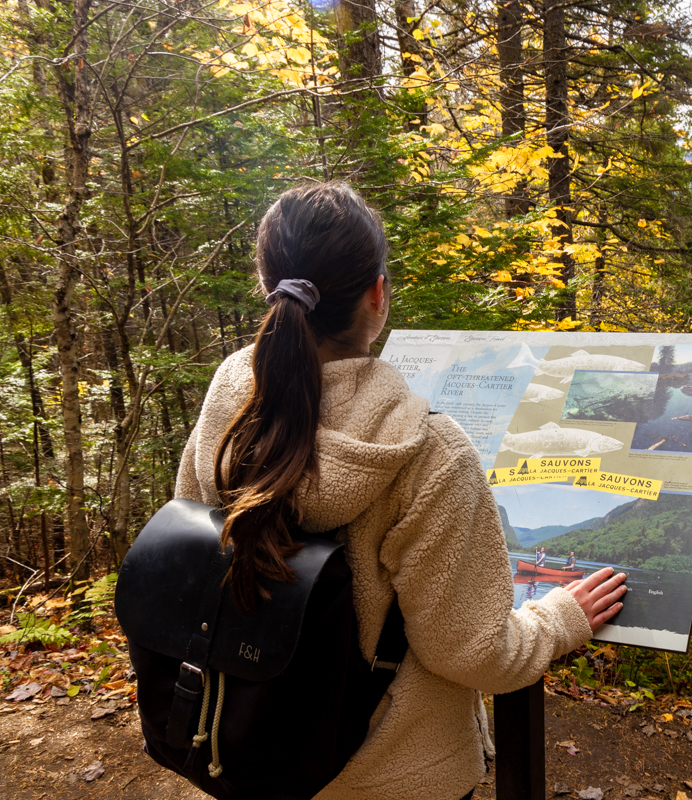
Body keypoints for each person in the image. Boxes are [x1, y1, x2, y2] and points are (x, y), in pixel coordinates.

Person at [174, 182, 626, 800]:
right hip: (396, 776)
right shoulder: (431, 453)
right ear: (378, 295)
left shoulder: (231, 399)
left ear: (269, 287)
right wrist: (558, 620)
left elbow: (199, 548)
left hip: (250, 746)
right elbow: (471, 653)